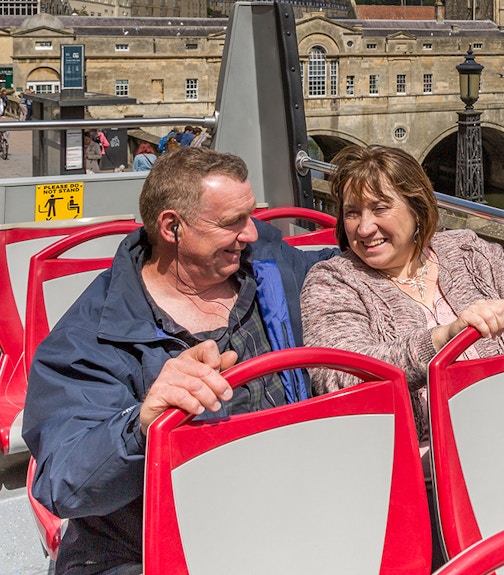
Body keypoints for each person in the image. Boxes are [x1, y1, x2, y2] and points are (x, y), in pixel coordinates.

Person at [23, 148, 338, 575]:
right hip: (150, 545)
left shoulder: (265, 261)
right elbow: (64, 483)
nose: (250, 232)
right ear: (172, 227)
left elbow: (340, 269)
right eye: (231, 223)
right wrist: (140, 424)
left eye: (251, 216)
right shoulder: (87, 338)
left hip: (287, 513)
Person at [301, 146, 504, 450]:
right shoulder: (331, 280)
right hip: (419, 467)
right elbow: (339, 377)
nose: (364, 228)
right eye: (352, 212)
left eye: (380, 209)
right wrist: (443, 339)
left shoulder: (467, 250)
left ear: (417, 209)